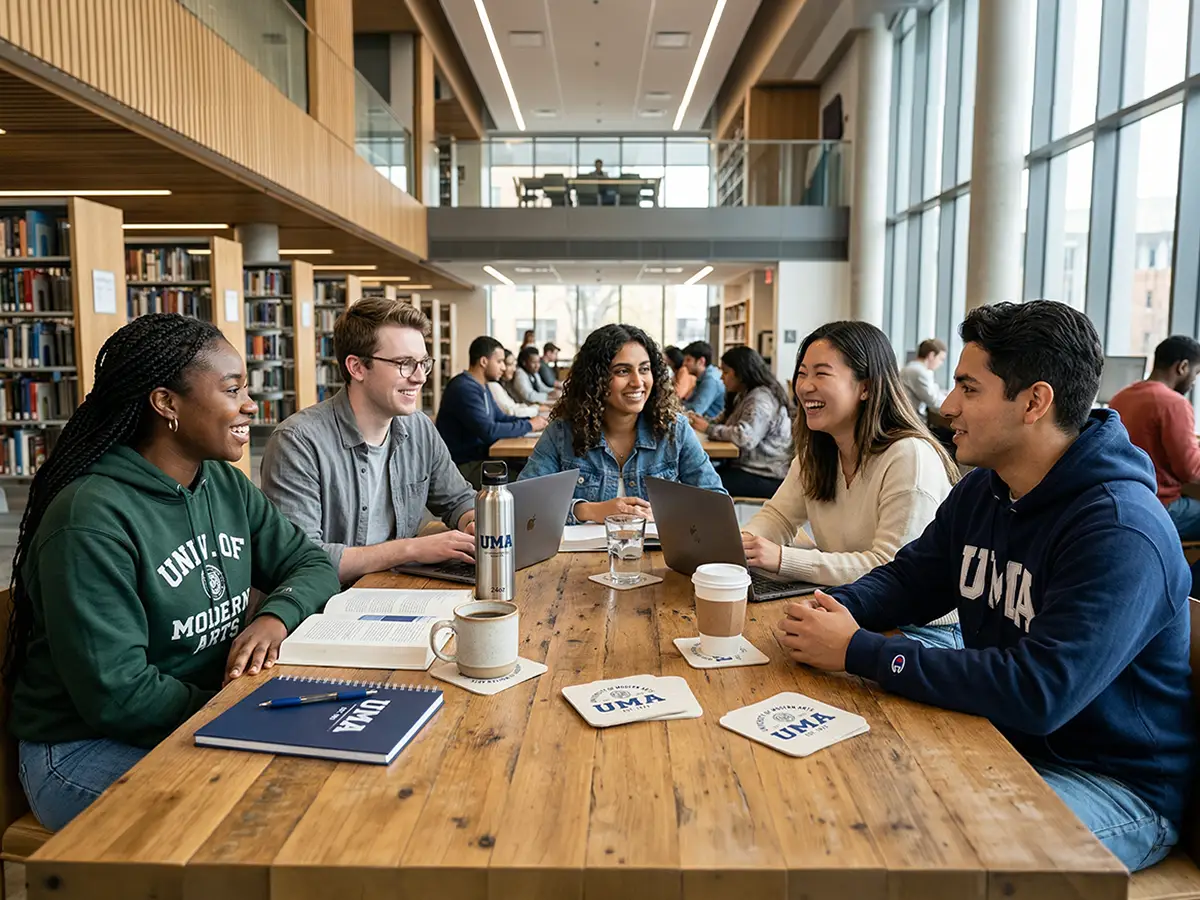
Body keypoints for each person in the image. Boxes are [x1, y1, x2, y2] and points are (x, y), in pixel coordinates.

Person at [776, 301, 1197, 872]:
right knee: (841, 787)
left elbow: (1039, 692)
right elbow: (910, 579)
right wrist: (836, 609)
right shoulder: (987, 490)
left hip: (1113, 783)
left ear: (1034, 402)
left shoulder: (1120, 530)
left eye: (968, 389)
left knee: (913, 841)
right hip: (1004, 739)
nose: (947, 408)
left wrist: (860, 649)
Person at [6, 314, 340, 830]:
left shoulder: (223, 484)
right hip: (83, 749)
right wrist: (243, 711)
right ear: (166, 404)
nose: (251, 405)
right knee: (273, 814)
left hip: (197, 713)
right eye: (233, 390)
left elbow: (310, 563)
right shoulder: (89, 520)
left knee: (322, 781)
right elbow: (119, 695)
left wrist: (275, 616)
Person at [741, 321, 960, 647]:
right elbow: (779, 517)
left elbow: (890, 571)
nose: (804, 386)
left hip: (921, 629)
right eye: (802, 373)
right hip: (852, 607)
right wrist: (741, 546)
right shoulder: (819, 451)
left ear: (866, 387)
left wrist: (783, 559)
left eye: (821, 373)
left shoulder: (909, 456)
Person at [261, 299, 478, 584]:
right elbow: (301, 560)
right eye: (404, 363)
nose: (419, 377)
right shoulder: (297, 443)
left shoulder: (419, 428)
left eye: (423, 363)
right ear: (357, 367)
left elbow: (457, 499)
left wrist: (473, 522)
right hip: (328, 607)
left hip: (394, 588)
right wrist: (410, 549)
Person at [519, 323, 724, 524]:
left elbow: (717, 502)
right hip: (578, 557)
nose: (637, 382)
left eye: (644, 369)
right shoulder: (562, 432)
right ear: (595, 379)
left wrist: (668, 512)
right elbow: (523, 502)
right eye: (622, 371)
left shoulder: (674, 429)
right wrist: (589, 511)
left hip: (658, 556)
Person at [1109, 335, 1200, 539]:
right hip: (1161, 506)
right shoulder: (1174, 403)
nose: (1194, 381)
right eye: (1196, 373)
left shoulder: (1121, 397)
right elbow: (1190, 471)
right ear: (1182, 367)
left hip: (1127, 500)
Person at [437, 336, 547, 487]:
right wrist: (529, 425)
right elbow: (489, 431)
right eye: (500, 361)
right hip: (463, 467)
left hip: (481, 459)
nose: (503, 367)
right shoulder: (464, 388)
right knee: (532, 477)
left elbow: (500, 417)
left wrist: (532, 421)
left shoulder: (483, 386)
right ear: (483, 361)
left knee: (533, 467)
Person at [687, 345, 792, 498]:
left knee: (701, 484)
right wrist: (704, 422)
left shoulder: (760, 399)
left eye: (726, 372)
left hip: (765, 474)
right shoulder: (743, 394)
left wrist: (708, 428)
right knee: (696, 475)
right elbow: (726, 422)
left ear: (741, 373)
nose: (722, 377)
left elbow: (745, 438)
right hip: (747, 467)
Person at [900, 338, 949, 419]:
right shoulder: (919, 372)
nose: (941, 364)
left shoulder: (912, 367)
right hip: (912, 419)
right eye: (941, 359)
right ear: (931, 355)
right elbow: (933, 401)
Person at [490, 348, 542, 418]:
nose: (514, 369)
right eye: (510, 364)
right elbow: (512, 412)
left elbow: (515, 406)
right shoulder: (493, 385)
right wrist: (536, 409)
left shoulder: (506, 384)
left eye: (514, 364)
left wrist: (535, 407)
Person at [681, 340, 724, 418]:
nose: (684, 364)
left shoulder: (711, 380)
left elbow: (695, 410)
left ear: (701, 361)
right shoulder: (703, 377)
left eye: (688, 360)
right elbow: (690, 402)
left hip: (708, 424)